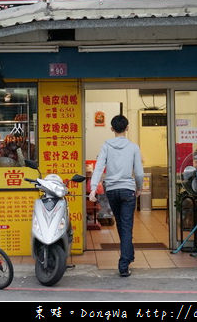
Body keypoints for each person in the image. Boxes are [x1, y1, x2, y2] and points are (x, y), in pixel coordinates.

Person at [88, 115, 144, 277]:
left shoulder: (106, 146)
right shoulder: (133, 147)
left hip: (112, 190)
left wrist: (93, 189)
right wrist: (139, 188)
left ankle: (128, 256)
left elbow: (99, 168)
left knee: (121, 224)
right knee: (126, 226)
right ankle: (124, 264)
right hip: (127, 190)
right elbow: (139, 173)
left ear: (112, 129)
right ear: (127, 128)